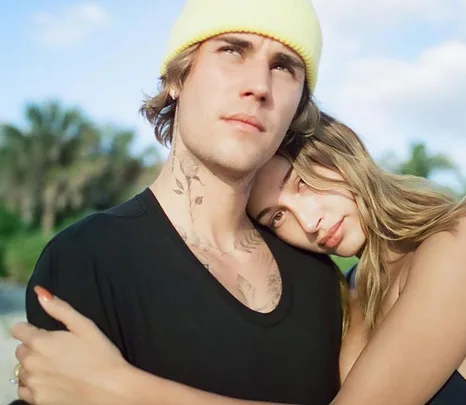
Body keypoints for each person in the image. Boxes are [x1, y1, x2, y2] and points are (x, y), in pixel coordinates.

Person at [11, 112, 466, 405]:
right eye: (277, 217)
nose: (310, 221)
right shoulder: (353, 286)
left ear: (344, 152)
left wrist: (117, 389)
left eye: (301, 184)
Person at [8, 1, 347, 405]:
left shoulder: (320, 278)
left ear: (297, 109)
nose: (259, 85)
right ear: (177, 78)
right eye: (232, 50)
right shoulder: (89, 259)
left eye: (283, 66)